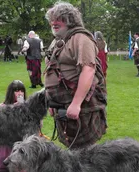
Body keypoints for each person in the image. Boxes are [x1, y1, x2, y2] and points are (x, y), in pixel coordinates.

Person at [44, 2, 107, 149]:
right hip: (62, 103)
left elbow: (88, 70)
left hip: (81, 105)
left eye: (59, 18)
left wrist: (76, 103)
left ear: (71, 20)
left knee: (85, 153)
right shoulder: (58, 41)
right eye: (52, 19)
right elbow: (51, 70)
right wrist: (51, 101)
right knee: (72, 149)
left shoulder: (81, 38)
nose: (54, 22)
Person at [0, 80, 28, 172]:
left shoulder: (27, 106)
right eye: (16, 91)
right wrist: (13, 108)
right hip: (7, 137)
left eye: (22, 90)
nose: (20, 93)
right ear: (10, 92)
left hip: (21, 136)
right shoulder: (2, 106)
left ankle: (20, 169)